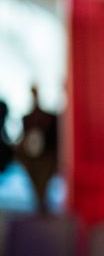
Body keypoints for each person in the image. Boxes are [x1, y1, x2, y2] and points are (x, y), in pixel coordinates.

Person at [15, 86, 59, 214]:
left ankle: (41, 202)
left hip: (46, 158)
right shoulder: (26, 119)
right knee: (37, 184)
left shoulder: (48, 118)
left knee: (43, 183)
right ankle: (40, 202)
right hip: (32, 159)